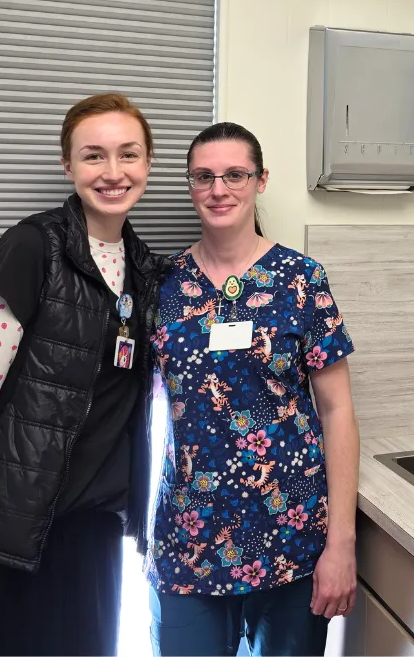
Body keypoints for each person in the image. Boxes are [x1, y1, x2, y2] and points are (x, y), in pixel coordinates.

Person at [0, 93, 171, 656]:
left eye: (128, 155)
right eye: (93, 156)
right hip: (1, 534)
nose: (112, 172)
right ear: (68, 166)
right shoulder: (33, 247)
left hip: (90, 539)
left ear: (148, 164)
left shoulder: (147, 272)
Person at [147, 123, 360, 656]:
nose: (219, 189)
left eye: (235, 174)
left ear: (260, 180)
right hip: (188, 537)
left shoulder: (301, 279)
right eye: (204, 176)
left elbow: (337, 412)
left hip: (290, 533)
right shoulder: (162, 285)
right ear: (190, 185)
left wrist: (341, 543)